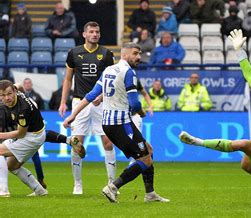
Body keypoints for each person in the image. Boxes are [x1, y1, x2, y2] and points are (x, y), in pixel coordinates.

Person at [179, 29, 251, 203]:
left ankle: (196, 141)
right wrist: (239, 50)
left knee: (243, 144)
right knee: (246, 166)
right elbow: (249, 75)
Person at [63, 42, 170, 203]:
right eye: (135, 53)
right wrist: (141, 112)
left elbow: (92, 95)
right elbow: (135, 104)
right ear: (125, 54)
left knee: (148, 149)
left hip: (109, 123)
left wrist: (73, 114)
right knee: (145, 159)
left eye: (139, 53)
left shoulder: (108, 70)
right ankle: (113, 187)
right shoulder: (129, 72)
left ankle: (150, 193)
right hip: (121, 123)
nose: (139, 57)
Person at [58, 21, 117, 195]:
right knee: (77, 144)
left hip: (101, 103)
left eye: (97, 32)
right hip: (79, 102)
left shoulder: (106, 54)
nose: (95, 34)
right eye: (91, 32)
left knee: (107, 141)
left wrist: (102, 96)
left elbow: (111, 80)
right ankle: (77, 185)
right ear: (84, 34)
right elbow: (68, 79)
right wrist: (63, 102)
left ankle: (112, 183)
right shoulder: (74, 53)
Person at [0, 80, 48, 197]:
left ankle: (3, 191)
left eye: (9, 94)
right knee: (12, 166)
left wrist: (1, 135)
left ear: (14, 92)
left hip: (32, 137)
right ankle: (40, 190)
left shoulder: (22, 110)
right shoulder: (18, 91)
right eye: (3, 95)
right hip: (36, 134)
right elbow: (19, 85)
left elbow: (21, 134)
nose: (7, 98)